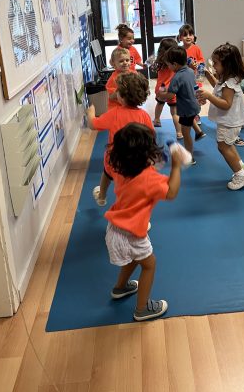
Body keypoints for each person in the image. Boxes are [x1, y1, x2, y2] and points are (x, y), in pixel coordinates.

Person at [105, 123, 183, 321]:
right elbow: (171, 192)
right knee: (149, 265)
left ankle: (120, 288)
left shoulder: (119, 167)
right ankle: (142, 309)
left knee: (134, 258)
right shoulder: (149, 179)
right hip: (132, 233)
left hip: (115, 228)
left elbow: (142, 175)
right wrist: (176, 166)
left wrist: (157, 162)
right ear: (146, 153)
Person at [86, 72, 152, 206]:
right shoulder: (144, 115)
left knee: (107, 174)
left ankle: (102, 196)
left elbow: (93, 125)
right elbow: (151, 137)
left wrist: (91, 113)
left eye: (118, 91)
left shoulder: (114, 113)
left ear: (121, 97)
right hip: (137, 159)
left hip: (115, 160)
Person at [197, 43, 244, 190]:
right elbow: (217, 86)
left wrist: (209, 96)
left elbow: (226, 104)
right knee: (228, 145)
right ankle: (242, 168)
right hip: (229, 120)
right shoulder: (226, 79)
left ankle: (241, 175)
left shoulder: (229, 83)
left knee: (223, 147)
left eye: (215, 63)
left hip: (229, 121)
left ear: (226, 65)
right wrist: (207, 74)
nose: (213, 66)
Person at [160, 47, 205, 164]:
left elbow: (170, 95)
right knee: (191, 118)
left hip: (186, 108)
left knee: (186, 133)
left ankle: (189, 157)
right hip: (195, 104)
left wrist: (161, 94)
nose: (168, 67)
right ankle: (199, 132)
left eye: (168, 65)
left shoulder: (176, 77)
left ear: (174, 64)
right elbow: (190, 86)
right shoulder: (190, 71)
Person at [152, 38, 183, 139]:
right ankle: (179, 132)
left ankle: (157, 120)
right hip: (171, 89)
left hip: (160, 88)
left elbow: (150, 66)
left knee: (160, 103)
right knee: (174, 112)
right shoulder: (175, 63)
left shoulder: (159, 62)